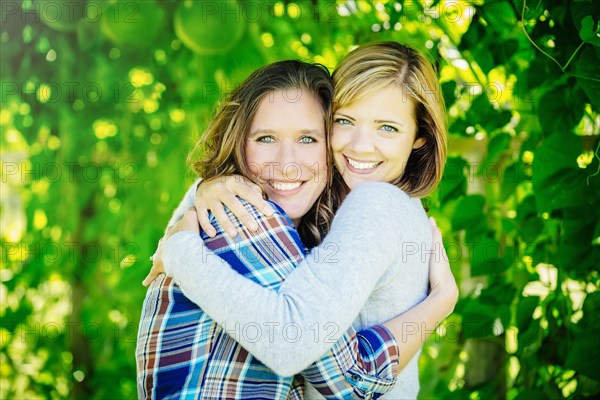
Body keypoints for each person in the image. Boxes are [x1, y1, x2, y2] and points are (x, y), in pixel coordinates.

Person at [146, 41, 457, 400]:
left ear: (420, 137)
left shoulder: (376, 203)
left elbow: (303, 351)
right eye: (345, 121)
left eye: (387, 128)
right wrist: (206, 188)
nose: (360, 146)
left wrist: (181, 253)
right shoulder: (333, 209)